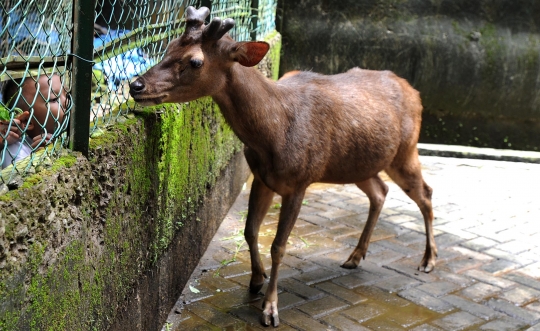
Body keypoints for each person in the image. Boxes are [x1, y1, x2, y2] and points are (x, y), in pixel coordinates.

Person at [0, 74, 67, 168]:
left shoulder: (68, 136)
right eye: (54, 99)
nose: (67, 101)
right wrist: (40, 159)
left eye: (67, 94)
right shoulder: (15, 150)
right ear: (27, 121)